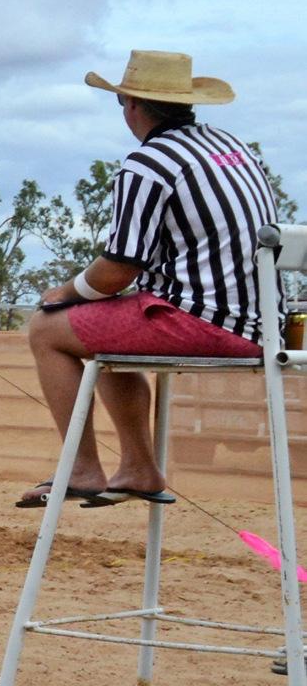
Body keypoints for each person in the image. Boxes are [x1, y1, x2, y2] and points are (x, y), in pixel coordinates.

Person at [21, 51, 277, 508]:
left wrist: (64, 293)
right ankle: (138, 466)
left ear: (131, 103)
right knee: (104, 325)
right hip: (262, 325)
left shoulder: (149, 162)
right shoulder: (232, 148)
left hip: (205, 322)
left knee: (46, 330)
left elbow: (119, 267)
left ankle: (82, 467)